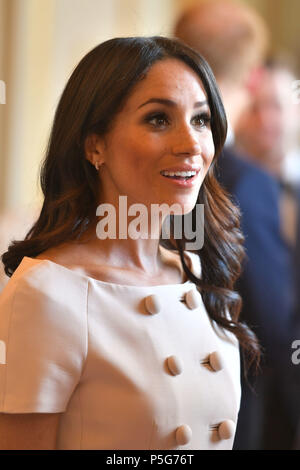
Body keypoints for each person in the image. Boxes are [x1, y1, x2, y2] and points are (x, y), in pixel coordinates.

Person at [0, 36, 257, 450]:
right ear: (94, 144)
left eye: (201, 119)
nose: (191, 144)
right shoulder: (47, 292)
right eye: (158, 119)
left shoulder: (194, 270)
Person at [175, 0, 295, 449]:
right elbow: (274, 321)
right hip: (235, 413)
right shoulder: (249, 181)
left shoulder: (146, 169)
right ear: (251, 76)